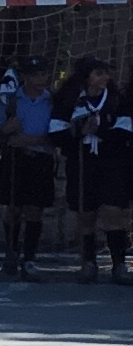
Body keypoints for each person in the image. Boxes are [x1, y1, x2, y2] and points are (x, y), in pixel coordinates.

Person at [0, 60, 59, 280]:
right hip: (15, 159)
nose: (41, 79)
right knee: (13, 208)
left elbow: (58, 133)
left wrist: (31, 140)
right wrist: (6, 130)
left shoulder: (53, 101)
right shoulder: (11, 99)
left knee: (35, 209)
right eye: (36, 75)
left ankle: (29, 257)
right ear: (25, 77)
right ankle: (11, 253)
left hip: (40, 158)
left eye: (44, 74)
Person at [65, 57, 128, 281]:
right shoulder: (70, 99)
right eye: (99, 73)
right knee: (86, 213)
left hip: (111, 164)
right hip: (81, 162)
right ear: (86, 76)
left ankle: (119, 264)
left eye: (107, 73)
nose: (105, 77)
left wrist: (100, 131)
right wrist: (79, 131)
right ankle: (88, 262)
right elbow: (57, 131)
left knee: (113, 211)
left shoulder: (117, 100)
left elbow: (124, 132)